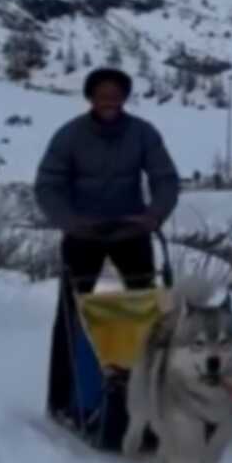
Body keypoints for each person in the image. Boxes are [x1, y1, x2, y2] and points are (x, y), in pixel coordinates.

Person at [35, 67, 181, 430]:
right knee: (71, 312)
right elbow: (48, 185)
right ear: (90, 97)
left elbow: (164, 178)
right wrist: (70, 221)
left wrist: (153, 216)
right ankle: (63, 399)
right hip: (84, 232)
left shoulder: (142, 134)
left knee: (149, 309)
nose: (109, 100)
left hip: (130, 231)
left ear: (125, 97)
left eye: (115, 93)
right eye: (102, 93)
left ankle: (153, 391)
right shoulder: (70, 136)